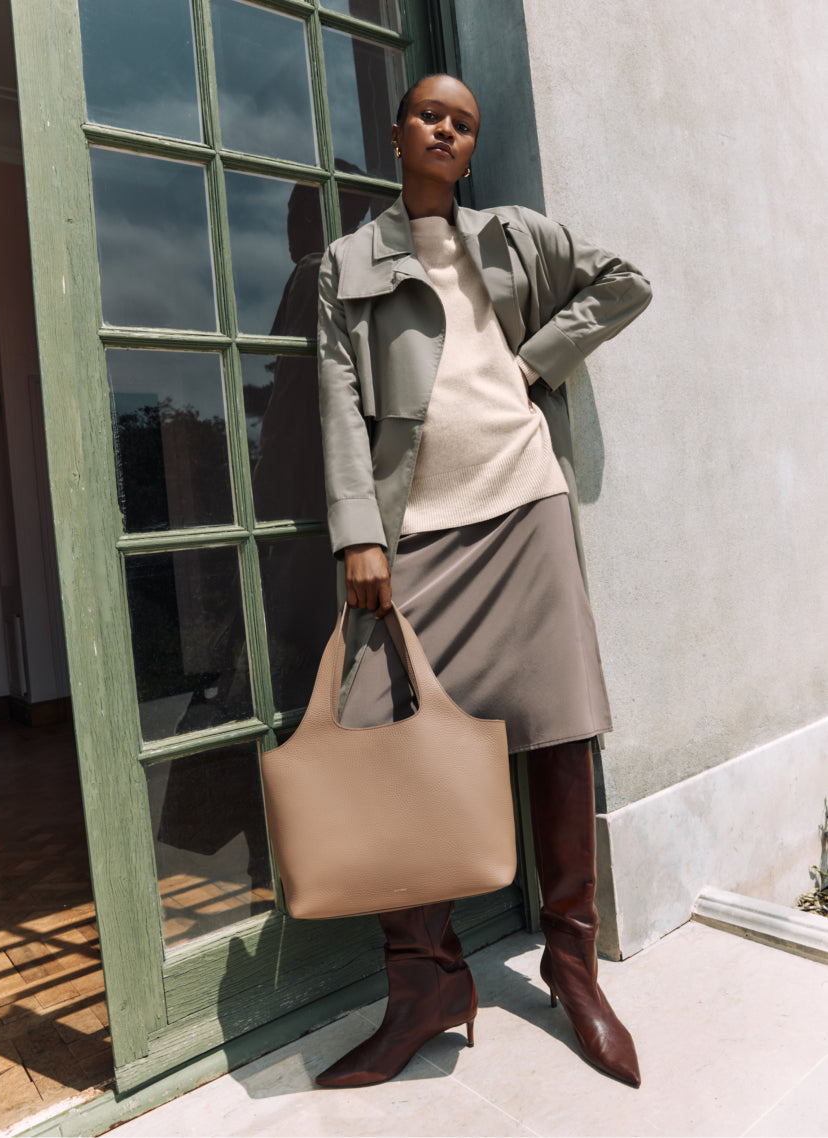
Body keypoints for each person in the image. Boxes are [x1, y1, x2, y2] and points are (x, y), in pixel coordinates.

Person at [314, 73, 652, 1090]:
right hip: (412, 532)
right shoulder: (347, 262)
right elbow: (337, 398)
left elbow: (624, 281)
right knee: (387, 747)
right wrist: (355, 534)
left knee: (556, 733)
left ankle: (572, 964)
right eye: (429, 114)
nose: (444, 129)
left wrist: (534, 362)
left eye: (461, 123)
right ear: (396, 133)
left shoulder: (512, 236)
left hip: (523, 503)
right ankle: (424, 985)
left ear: (469, 150)